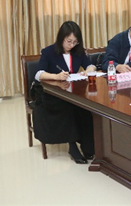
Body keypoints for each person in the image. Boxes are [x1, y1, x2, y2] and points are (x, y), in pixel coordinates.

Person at [33, 21, 96, 164]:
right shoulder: (49, 52)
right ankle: (72, 146)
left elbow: (90, 65)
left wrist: (88, 70)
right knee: (69, 108)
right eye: (69, 41)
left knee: (87, 108)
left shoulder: (78, 51)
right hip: (53, 95)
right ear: (61, 38)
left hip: (73, 92)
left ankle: (88, 146)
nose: (71, 45)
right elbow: (38, 74)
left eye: (75, 42)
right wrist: (56, 76)